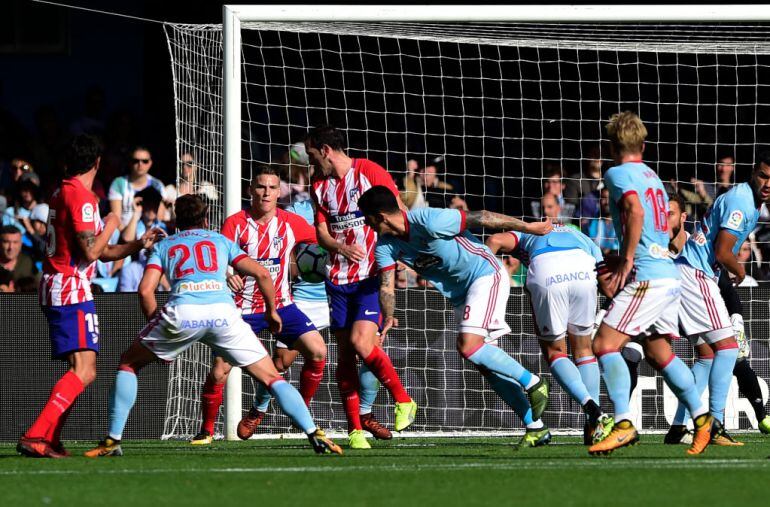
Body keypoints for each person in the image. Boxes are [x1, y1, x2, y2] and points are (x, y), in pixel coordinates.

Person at [84, 194, 342, 457]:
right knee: (272, 377)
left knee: (129, 363)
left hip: (182, 313)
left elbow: (145, 290)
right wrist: (272, 311)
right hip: (224, 314)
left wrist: (158, 329)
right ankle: (314, 433)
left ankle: (113, 440)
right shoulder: (220, 240)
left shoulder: (165, 245)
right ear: (206, 219)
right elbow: (262, 273)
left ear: (177, 221)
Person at [358, 185, 555, 447]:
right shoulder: (385, 246)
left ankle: (534, 382)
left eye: (367, 219)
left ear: (380, 216)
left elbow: (482, 217)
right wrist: (389, 316)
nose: (367, 225)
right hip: (461, 294)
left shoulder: (428, 220)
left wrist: (528, 227)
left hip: (485, 274)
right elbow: (386, 286)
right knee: (487, 366)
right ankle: (535, 427)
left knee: (468, 346)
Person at [17, 134, 165, 458]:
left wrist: (138, 244)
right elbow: (92, 250)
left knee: (82, 369)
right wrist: (112, 221)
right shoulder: (81, 197)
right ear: (97, 162)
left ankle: (50, 438)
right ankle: (36, 434)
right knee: (85, 370)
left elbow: (103, 252)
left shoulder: (61, 191)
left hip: (61, 283)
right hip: (70, 286)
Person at [587, 111, 713, 456]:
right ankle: (702, 419)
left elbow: (635, 211)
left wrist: (627, 259)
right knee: (659, 353)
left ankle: (624, 423)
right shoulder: (652, 177)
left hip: (647, 276)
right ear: (643, 145)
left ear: (611, 147)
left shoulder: (616, 173)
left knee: (604, 344)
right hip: (668, 273)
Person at [189, 166, 330, 445]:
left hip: (282, 305)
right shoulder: (236, 223)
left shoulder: (292, 223)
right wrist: (227, 275)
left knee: (317, 351)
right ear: (250, 190)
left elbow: (324, 241)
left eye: (272, 188)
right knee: (219, 370)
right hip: (241, 309)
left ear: (279, 192)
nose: (266, 193)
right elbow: (218, 257)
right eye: (261, 187)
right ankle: (206, 431)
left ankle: (298, 411)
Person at [236, 191, 392, 442]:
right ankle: (259, 409)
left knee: (370, 353)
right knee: (282, 361)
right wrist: (296, 264)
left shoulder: (358, 208)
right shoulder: (299, 211)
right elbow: (280, 242)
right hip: (310, 296)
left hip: (352, 292)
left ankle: (365, 413)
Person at [306, 125, 416, 449]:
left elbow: (399, 216)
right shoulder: (318, 185)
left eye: (312, 155)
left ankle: (403, 399)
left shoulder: (370, 172)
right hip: (337, 280)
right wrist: (340, 247)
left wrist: (401, 259)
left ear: (325, 150)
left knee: (361, 342)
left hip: (370, 275)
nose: (311, 163)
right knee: (344, 356)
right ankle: (355, 429)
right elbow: (322, 234)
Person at [664, 151, 770, 446]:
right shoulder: (742, 202)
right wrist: (739, 270)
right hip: (697, 274)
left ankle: (678, 426)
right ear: (753, 173)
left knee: (707, 357)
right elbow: (723, 252)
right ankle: (716, 424)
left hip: (688, 271)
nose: (767, 183)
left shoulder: (746, 199)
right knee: (729, 348)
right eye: (763, 176)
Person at [486, 224, 613, 445]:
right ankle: (594, 426)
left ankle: (592, 408)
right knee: (584, 349)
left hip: (548, 271)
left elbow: (494, 240)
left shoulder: (527, 232)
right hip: (583, 270)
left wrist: (489, 278)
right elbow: (607, 285)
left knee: (555, 352)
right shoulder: (582, 236)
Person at [118, 187, 168, 292]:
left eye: (155, 204)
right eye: (149, 204)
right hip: (136, 271)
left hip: (157, 266)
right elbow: (127, 239)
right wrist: (136, 214)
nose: (152, 208)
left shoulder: (162, 227)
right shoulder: (135, 224)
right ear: (142, 204)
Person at [108, 145, 167, 230]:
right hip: (123, 233)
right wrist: (128, 234)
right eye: (136, 161)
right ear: (130, 162)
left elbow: (160, 216)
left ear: (150, 163)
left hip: (151, 232)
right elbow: (116, 220)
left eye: (145, 161)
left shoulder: (158, 185)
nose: (140, 164)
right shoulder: (118, 183)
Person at [585, 187, 619, 255]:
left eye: (610, 198)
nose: (607, 202)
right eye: (604, 198)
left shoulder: (623, 221)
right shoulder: (591, 222)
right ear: (599, 201)